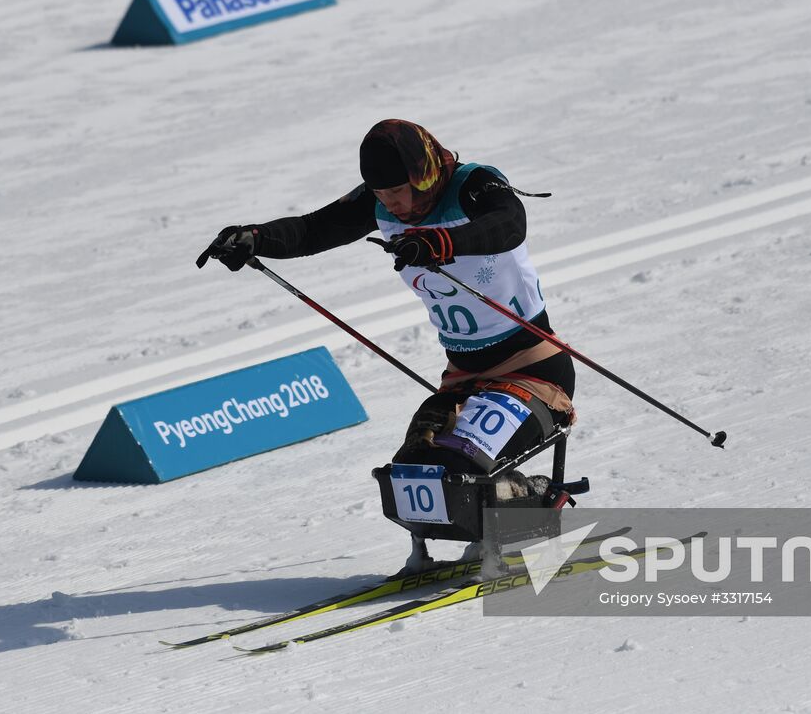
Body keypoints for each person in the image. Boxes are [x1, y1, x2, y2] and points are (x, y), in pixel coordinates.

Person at [201, 118, 575, 570]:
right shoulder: (382, 205)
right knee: (413, 470)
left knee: (462, 467)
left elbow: (509, 224)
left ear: (424, 174)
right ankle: (443, 544)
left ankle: (530, 505)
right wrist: (255, 238)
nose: (392, 204)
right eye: (380, 195)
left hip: (533, 370)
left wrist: (440, 241)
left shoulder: (475, 185)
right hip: (463, 378)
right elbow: (313, 229)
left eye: (398, 190)